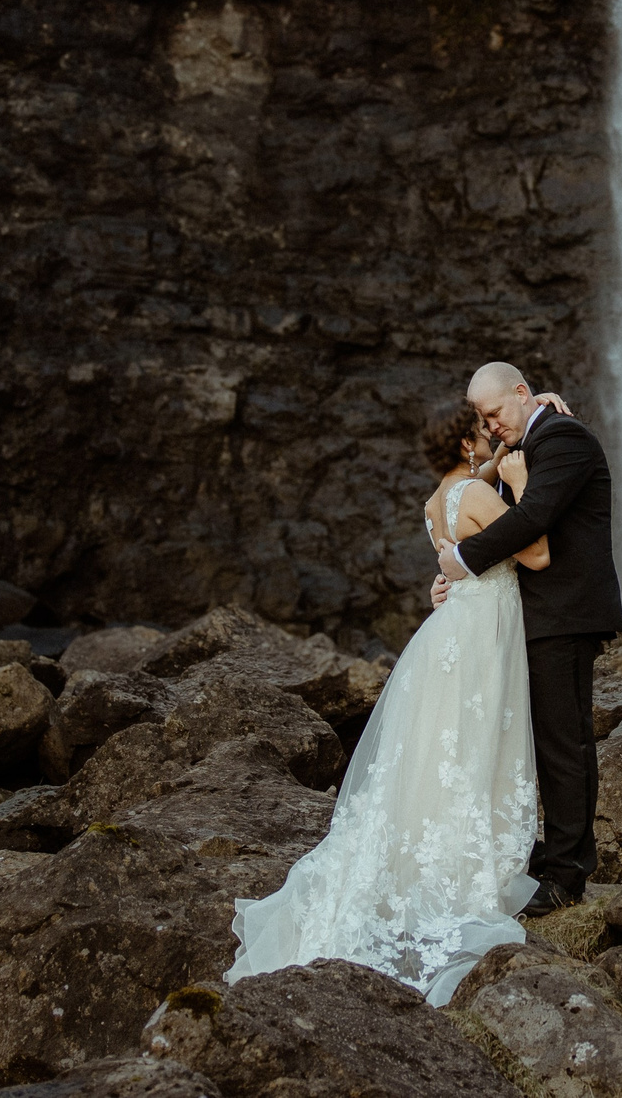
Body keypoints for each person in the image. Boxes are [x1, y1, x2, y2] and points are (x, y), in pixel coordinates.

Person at [223, 401, 555, 1004]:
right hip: (480, 639)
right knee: (473, 744)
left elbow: (467, 541)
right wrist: (525, 483)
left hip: (449, 637)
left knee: (434, 755)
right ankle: (469, 870)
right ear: (463, 443)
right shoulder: (483, 497)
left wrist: (511, 443)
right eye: (485, 430)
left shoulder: (436, 504)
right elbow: (536, 555)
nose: (493, 435)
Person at [436, 359, 620, 913]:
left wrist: (459, 562)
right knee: (545, 743)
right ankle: (553, 854)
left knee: (565, 746)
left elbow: (532, 514)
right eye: (483, 418)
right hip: (534, 616)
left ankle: (567, 876)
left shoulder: (561, 437)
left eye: (496, 413)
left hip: (563, 616)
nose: (491, 425)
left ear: (522, 393)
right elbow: (478, 497)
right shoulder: (530, 437)